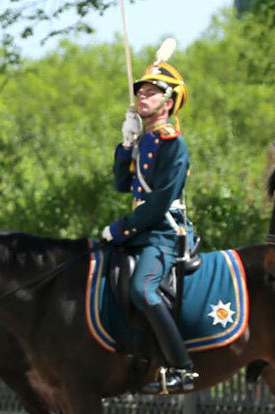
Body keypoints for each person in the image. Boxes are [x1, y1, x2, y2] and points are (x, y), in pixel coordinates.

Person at [102, 58, 196, 394]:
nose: (142, 96)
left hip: (163, 234)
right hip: (143, 230)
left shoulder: (174, 144)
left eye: (152, 92)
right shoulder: (144, 141)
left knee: (143, 288)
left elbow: (158, 203)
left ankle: (182, 368)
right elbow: (120, 184)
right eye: (140, 91)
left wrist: (122, 228)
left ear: (168, 103)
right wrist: (126, 145)